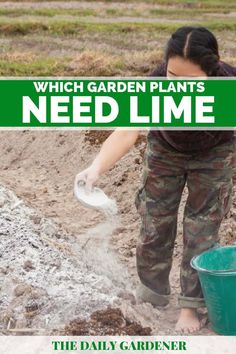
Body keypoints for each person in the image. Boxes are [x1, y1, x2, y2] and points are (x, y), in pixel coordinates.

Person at [75, 26, 235, 333]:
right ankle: (153, 292)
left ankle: (191, 306)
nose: (177, 88)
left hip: (214, 153)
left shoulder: (230, 86)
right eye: (173, 78)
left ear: (211, 72)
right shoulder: (153, 85)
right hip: (166, 150)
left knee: (201, 227)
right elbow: (127, 129)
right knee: (154, 221)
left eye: (190, 82)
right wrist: (96, 168)